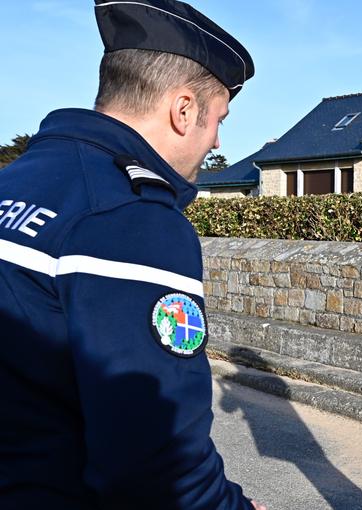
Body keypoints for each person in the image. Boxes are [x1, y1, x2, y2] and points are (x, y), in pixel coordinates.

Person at [0, 1, 266, 508]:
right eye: (218, 120)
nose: (215, 142)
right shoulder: (131, 220)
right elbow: (153, 455)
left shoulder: (14, 181)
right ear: (183, 110)